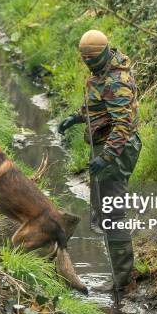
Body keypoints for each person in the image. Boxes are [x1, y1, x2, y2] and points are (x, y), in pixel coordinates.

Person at [58, 29, 141, 294]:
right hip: (106, 146)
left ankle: (124, 279)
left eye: (92, 59)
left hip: (117, 149)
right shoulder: (102, 74)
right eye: (85, 59)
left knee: (113, 212)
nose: (88, 64)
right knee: (105, 210)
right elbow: (98, 106)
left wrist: (105, 158)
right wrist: (77, 117)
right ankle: (123, 271)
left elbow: (122, 125)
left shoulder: (117, 81)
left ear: (103, 54)